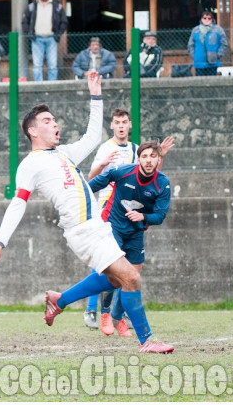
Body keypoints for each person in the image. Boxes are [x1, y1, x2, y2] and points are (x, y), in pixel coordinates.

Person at [0, 71, 174, 354]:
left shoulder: (63, 153)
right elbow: (18, 203)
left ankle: (60, 300)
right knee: (131, 277)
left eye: (55, 120)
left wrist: (96, 96)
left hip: (97, 225)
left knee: (113, 278)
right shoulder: (30, 164)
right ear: (33, 131)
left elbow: (93, 136)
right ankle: (147, 341)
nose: (55, 124)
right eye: (47, 121)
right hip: (82, 230)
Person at [82, 108, 174, 330]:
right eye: (117, 122)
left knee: (130, 269)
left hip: (133, 211)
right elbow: (91, 179)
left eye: (124, 122)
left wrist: (160, 156)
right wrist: (103, 164)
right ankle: (94, 310)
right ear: (112, 125)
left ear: (130, 125)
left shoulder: (136, 149)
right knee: (108, 264)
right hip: (108, 206)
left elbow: (148, 178)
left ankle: (118, 314)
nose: (121, 125)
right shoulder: (106, 147)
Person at [22, 0, 68, 81]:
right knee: (37, 65)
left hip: (52, 38)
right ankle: (38, 86)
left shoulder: (57, 6)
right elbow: (24, 21)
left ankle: (52, 86)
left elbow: (64, 21)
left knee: (52, 64)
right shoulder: (32, 6)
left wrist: (58, 34)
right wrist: (29, 33)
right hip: (36, 39)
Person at [188, 10, 228, 76]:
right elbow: (190, 45)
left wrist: (218, 55)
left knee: (212, 83)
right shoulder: (195, 30)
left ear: (212, 19)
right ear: (201, 19)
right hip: (199, 62)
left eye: (209, 18)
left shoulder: (218, 30)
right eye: (204, 18)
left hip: (213, 62)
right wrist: (194, 55)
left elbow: (224, 44)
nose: (207, 20)